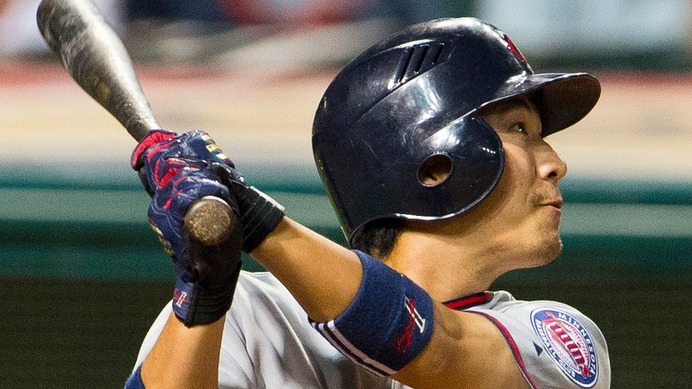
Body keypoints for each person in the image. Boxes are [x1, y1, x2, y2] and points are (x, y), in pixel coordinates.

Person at [125, 17, 611, 388]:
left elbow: (438, 351)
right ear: (434, 164)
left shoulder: (556, 339)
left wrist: (255, 221)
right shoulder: (252, 313)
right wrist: (205, 295)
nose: (554, 163)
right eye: (520, 130)